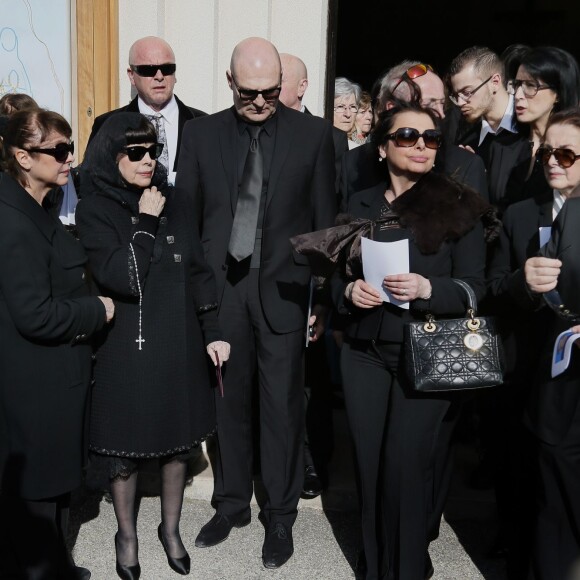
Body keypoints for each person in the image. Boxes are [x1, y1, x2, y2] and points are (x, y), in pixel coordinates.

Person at [305, 101, 492, 579]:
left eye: (431, 139)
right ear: (384, 147)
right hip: (364, 355)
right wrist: (347, 290)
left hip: (426, 355)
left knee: (407, 473)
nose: (422, 147)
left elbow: (478, 286)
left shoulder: (459, 203)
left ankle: (408, 569)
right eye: (408, 137)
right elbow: (332, 275)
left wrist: (431, 289)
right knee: (369, 467)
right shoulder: (363, 202)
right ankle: (374, 566)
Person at [175, 36, 336, 569]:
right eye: (251, 94)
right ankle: (231, 505)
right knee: (228, 401)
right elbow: (189, 221)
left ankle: (282, 514)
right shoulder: (199, 136)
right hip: (225, 288)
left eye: (271, 93)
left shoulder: (313, 136)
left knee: (283, 406)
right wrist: (201, 300)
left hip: (286, 288)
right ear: (230, 82)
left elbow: (325, 226)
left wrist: (322, 299)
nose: (262, 103)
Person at [75, 112, 229, 580]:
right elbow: (125, 277)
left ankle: (170, 529)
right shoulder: (95, 207)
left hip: (178, 338)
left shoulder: (174, 199)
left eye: (153, 151)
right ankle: (126, 535)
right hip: (126, 343)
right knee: (124, 449)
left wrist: (214, 328)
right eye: (135, 152)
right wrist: (144, 219)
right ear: (111, 156)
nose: (148, 161)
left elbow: (199, 270)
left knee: (176, 444)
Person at [0, 108, 114, 580]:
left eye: (71, 148)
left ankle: (56, 567)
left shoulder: (37, 205)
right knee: (35, 499)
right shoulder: (12, 221)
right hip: (34, 388)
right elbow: (35, 315)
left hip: (51, 382)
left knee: (50, 499)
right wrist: (98, 310)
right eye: (59, 151)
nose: (70, 160)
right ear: (23, 157)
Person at [279, 52, 345, 499]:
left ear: (302, 87)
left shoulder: (330, 138)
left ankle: (313, 462)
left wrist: (324, 290)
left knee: (311, 383)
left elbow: (334, 214)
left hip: (314, 276)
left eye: (281, 80)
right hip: (274, 280)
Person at [520, 107, 580, 580]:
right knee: (552, 507)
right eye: (547, 152)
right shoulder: (541, 214)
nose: (554, 161)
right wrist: (527, 281)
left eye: (566, 153)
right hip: (555, 381)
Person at [340, 60, 489, 209]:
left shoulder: (465, 166)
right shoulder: (354, 164)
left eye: (442, 104)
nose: (441, 114)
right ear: (392, 109)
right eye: (429, 105)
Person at [87, 36, 206, 185]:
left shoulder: (203, 124)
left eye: (167, 69)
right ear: (131, 75)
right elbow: (93, 182)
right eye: (148, 70)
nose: (159, 76)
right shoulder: (106, 124)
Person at [447, 46, 530, 210]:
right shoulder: (468, 143)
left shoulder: (532, 128)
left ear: (495, 82)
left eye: (467, 92)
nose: (461, 102)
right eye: (455, 95)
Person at [508, 46, 580, 204]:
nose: (518, 95)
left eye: (531, 86)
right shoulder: (503, 148)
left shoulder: (574, 149)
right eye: (517, 85)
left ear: (558, 94)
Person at [334, 76, 361, 148]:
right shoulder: (318, 146)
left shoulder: (356, 151)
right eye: (340, 107)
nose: (348, 114)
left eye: (352, 107)